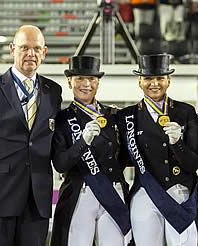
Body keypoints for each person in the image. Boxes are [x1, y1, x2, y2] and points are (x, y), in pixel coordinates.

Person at [0, 25, 62, 245]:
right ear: (12, 49)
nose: (30, 54)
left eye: (36, 48)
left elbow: (54, 139)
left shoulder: (53, 92)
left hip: (37, 202)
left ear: (44, 52)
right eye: (24, 47)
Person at [117, 54, 198, 246]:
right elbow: (120, 159)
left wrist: (177, 143)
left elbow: (193, 163)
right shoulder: (126, 116)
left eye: (160, 78)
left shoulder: (185, 111)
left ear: (168, 81)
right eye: (148, 78)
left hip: (179, 192)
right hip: (145, 193)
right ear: (139, 82)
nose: (154, 83)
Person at [50, 56, 131, 246]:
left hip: (113, 192)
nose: (86, 84)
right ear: (70, 82)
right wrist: (82, 142)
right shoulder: (61, 119)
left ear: (98, 82)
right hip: (80, 194)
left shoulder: (113, 115)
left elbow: (124, 159)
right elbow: (60, 164)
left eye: (92, 79)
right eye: (80, 79)